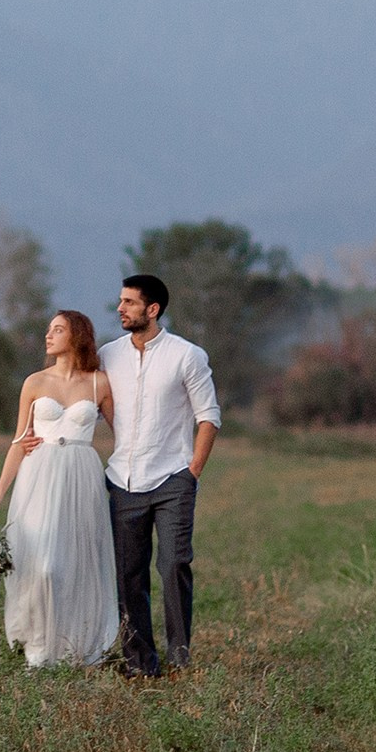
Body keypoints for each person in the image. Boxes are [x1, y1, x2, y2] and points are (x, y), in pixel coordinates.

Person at [0, 309, 121, 668]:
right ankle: (38, 648)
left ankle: (75, 645)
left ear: (77, 336)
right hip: (39, 475)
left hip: (81, 478)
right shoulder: (35, 382)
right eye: (49, 329)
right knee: (42, 565)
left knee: (75, 564)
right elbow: (18, 441)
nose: (49, 335)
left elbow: (125, 436)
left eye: (58, 329)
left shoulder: (99, 383)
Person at [92, 274, 220, 677]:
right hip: (122, 481)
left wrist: (192, 472)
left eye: (129, 303)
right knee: (128, 575)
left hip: (172, 480)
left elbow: (209, 417)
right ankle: (140, 662)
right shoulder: (108, 355)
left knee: (173, 564)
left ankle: (179, 655)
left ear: (153, 309)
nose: (120, 309)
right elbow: (98, 404)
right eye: (120, 301)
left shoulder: (187, 355)